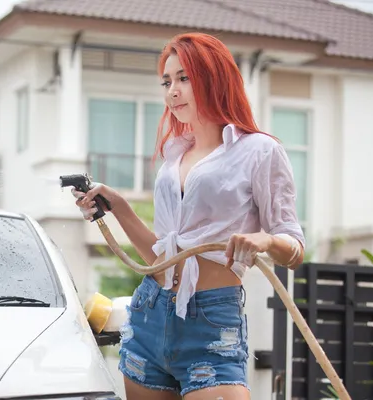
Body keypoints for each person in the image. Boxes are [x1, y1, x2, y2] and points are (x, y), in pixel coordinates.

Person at [70, 32, 305, 400]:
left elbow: (294, 247)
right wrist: (117, 206)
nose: (172, 91)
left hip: (211, 323)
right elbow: (161, 258)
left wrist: (266, 240)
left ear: (214, 77)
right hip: (150, 313)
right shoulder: (174, 157)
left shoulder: (259, 151)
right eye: (167, 81)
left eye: (184, 78)